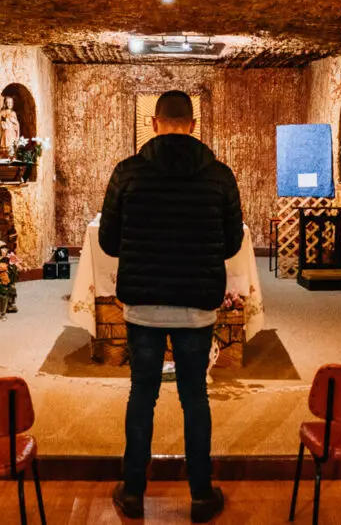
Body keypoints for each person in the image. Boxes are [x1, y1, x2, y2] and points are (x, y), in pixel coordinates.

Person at [99, 90, 243, 522]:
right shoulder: (219, 176)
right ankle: (200, 495)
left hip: (143, 304)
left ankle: (133, 492)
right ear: (193, 126)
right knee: (194, 397)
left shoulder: (127, 172)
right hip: (196, 303)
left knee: (142, 396)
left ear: (155, 123)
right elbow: (233, 243)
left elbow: (107, 241)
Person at [0, 95, 21, 159]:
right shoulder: (2, 113)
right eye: (7, 102)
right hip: (5, 134)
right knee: (4, 151)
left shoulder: (13, 113)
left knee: (11, 150)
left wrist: (14, 123)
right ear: (5, 103)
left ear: (12, 104)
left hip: (12, 134)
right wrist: (3, 124)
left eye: (10, 102)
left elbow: (17, 125)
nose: (9, 104)